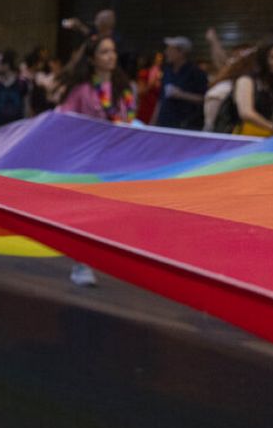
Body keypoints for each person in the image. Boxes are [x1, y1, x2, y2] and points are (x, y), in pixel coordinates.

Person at [55, 35, 136, 286]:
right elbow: (64, 119)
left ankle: (97, 257)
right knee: (85, 211)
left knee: (106, 212)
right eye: (104, 52)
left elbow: (131, 120)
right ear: (92, 59)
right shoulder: (82, 90)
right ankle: (82, 262)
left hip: (116, 159)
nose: (110, 56)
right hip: (87, 161)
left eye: (112, 51)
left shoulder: (125, 88)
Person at [225, 35, 273, 137]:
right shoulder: (246, 79)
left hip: (266, 138)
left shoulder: (272, 82)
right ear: (263, 57)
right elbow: (246, 113)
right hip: (245, 139)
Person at [151, 36, 208, 130]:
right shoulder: (167, 70)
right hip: (164, 123)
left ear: (181, 52)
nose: (166, 52)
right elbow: (161, 99)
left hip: (184, 126)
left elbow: (203, 99)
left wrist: (181, 95)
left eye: (170, 50)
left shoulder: (196, 73)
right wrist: (153, 122)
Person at [0, 48, 31, 130]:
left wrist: (25, 127)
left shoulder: (22, 84)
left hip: (18, 128)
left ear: (6, 65)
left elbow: (26, 107)